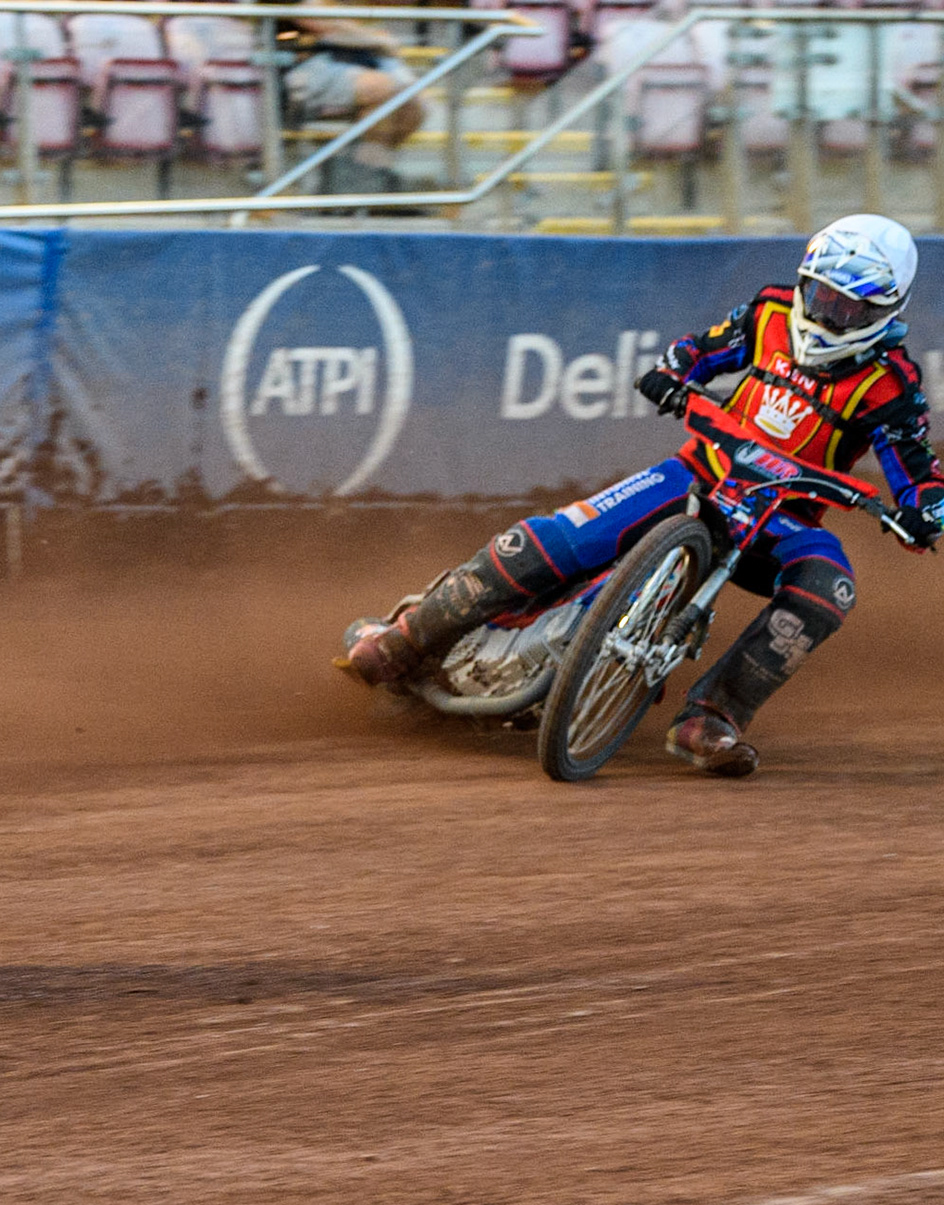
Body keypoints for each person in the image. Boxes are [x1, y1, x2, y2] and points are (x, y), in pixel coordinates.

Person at [342, 214, 944, 777]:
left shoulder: (892, 387)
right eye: (820, 295)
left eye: (847, 307)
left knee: (830, 586)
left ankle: (712, 717)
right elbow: (701, 350)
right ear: (804, 283)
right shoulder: (769, 312)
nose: (827, 314)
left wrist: (925, 513)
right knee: (555, 539)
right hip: (696, 473)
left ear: (886, 310)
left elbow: (917, 472)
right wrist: (672, 372)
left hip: (778, 519)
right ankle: (405, 640)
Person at [276, 6, 425, 191]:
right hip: (290, 69)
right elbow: (317, 21)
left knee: (412, 104)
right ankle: (361, 182)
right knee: (383, 88)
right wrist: (376, 40)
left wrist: (368, 37)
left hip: (343, 61)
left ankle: (369, 178)